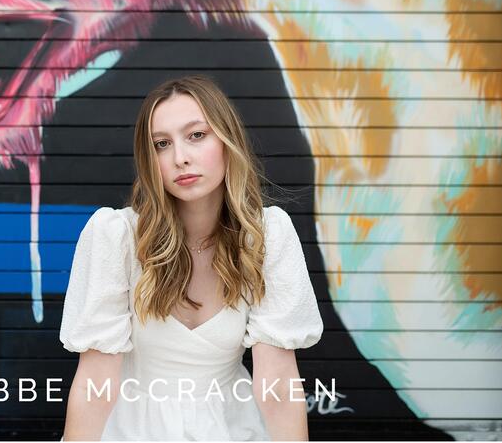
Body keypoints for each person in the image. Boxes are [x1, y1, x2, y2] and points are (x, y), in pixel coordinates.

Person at [59, 75, 324, 441]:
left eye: (196, 135)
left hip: (234, 429)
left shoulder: (267, 236)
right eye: (162, 144)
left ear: (227, 140)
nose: (180, 157)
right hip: (134, 430)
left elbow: (277, 380)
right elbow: (95, 382)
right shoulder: (116, 236)